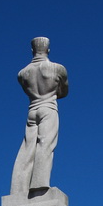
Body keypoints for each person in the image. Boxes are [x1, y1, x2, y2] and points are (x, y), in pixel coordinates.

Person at [10, 37, 69, 196]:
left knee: (27, 147)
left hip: (32, 109)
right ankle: (39, 184)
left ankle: (18, 187)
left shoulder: (23, 73)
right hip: (48, 107)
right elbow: (64, 92)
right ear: (48, 50)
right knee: (45, 144)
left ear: (32, 50)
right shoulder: (58, 69)